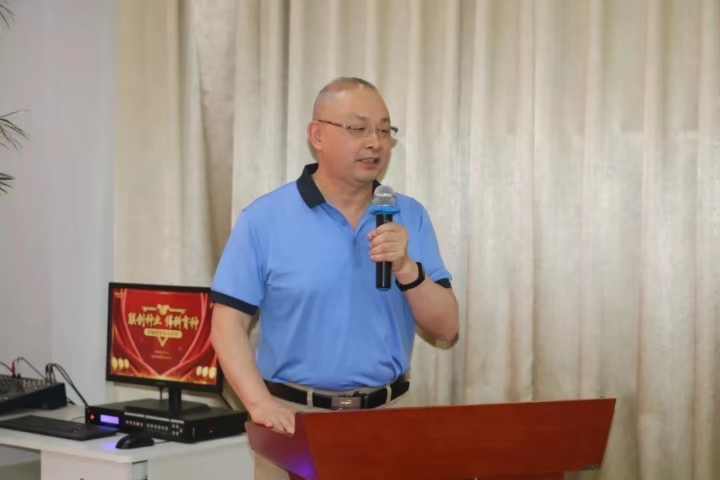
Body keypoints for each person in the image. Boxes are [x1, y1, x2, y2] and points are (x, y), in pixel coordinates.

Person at [209, 77, 459, 478]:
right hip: (294, 422)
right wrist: (259, 404)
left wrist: (407, 268)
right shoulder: (264, 219)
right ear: (317, 136)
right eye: (358, 128)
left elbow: (446, 327)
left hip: (390, 419)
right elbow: (227, 324)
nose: (375, 142)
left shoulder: (408, 215)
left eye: (384, 130)